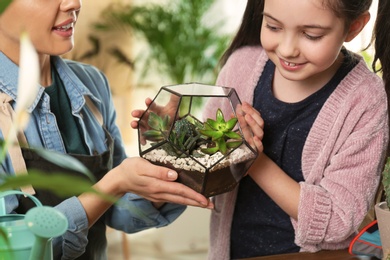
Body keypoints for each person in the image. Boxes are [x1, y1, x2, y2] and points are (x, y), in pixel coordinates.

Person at [0, 0, 213, 259]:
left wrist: (168, 154)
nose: (74, 3)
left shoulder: (92, 85)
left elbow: (120, 213)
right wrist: (112, 185)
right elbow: (12, 251)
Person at [202, 0, 390, 259]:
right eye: (273, 26)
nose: (287, 49)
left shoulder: (365, 100)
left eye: (311, 35)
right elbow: (207, 170)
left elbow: (338, 222)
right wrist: (176, 135)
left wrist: (253, 160)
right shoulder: (240, 67)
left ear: (354, 27)